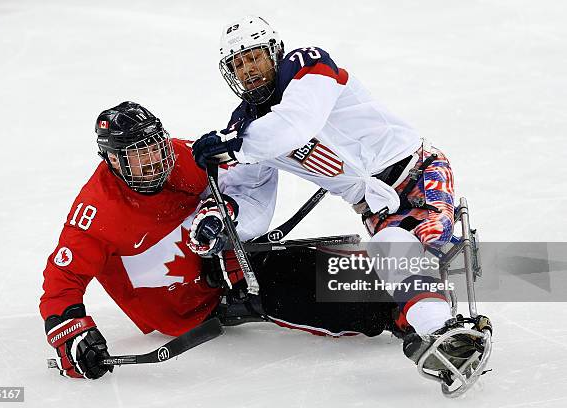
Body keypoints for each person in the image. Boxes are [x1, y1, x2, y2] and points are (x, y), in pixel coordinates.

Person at [191, 16, 487, 371]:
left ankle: (437, 329)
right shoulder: (245, 128)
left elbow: (297, 123)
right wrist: (227, 222)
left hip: (419, 172)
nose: (248, 69)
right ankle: (440, 333)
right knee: (392, 245)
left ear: (274, 53)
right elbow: (251, 196)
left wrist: (235, 145)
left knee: (408, 245)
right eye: (238, 64)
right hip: (377, 208)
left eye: (254, 57)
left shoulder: (308, 65)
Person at [39, 101, 278, 379]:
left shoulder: (178, 156)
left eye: (155, 147)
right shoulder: (97, 211)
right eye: (140, 154)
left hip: (230, 267)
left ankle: (337, 287)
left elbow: (242, 178)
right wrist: (71, 335)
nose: (154, 160)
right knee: (302, 290)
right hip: (183, 309)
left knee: (309, 279)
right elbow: (62, 280)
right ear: (114, 159)